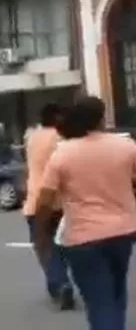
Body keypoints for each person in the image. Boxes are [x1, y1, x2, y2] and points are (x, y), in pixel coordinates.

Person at [32, 96, 136, 330]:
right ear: (101, 118)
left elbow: (45, 198)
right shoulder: (125, 145)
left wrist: (41, 231)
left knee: (98, 301)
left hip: (82, 237)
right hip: (123, 231)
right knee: (116, 294)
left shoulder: (63, 153)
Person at [23, 103, 75, 310]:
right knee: (61, 246)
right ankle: (59, 283)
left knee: (44, 248)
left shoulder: (32, 138)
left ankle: (59, 284)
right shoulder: (64, 139)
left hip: (36, 202)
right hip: (63, 202)